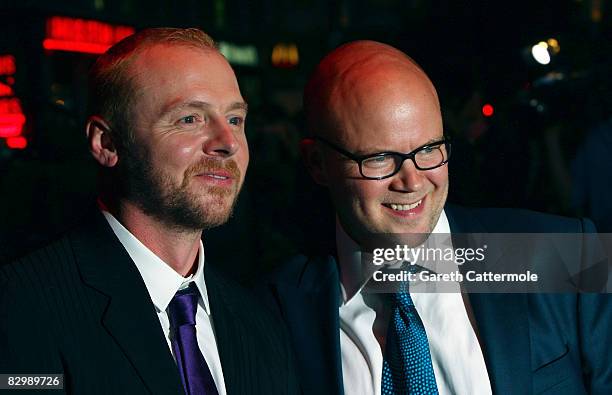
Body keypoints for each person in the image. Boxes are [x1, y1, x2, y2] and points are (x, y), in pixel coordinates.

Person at [264, 41, 611, 394]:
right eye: (380, 158)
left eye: (429, 149)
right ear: (318, 163)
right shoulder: (273, 312)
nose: (413, 181)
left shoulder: (568, 255)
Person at [0, 28, 299, 395]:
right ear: (106, 143)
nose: (228, 143)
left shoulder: (259, 324)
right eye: (190, 119)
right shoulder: (21, 308)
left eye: (235, 119)